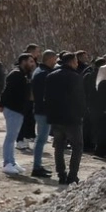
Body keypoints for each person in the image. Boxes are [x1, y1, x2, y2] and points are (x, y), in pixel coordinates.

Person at [42, 52, 86, 185]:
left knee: (59, 147)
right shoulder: (75, 77)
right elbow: (80, 98)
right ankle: (72, 176)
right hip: (72, 118)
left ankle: (61, 174)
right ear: (72, 62)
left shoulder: (50, 76)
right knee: (77, 147)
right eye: (76, 61)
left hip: (56, 118)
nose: (77, 64)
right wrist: (82, 114)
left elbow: (47, 98)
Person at [0, 53, 35, 176]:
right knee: (10, 138)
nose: (33, 64)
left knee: (13, 138)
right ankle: (7, 163)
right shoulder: (16, 74)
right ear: (23, 62)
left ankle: (12, 162)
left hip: (19, 110)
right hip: (13, 109)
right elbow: (6, 91)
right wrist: (1, 104)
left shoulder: (25, 75)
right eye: (30, 61)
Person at [29, 49, 57, 178]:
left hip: (41, 109)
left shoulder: (39, 71)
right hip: (43, 110)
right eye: (55, 59)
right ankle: (36, 167)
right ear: (50, 59)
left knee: (41, 139)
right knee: (41, 140)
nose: (56, 62)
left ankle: (38, 165)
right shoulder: (43, 74)